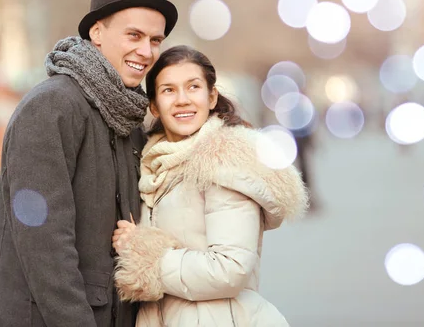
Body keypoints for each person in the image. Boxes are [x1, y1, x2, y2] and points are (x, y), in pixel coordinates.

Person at [0, 0, 178, 327]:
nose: (146, 51)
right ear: (97, 33)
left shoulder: (128, 115)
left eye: (155, 40)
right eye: (133, 35)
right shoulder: (51, 107)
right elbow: (44, 246)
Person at [111, 46, 308, 326]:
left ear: (211, 96)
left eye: (193, 87)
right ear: (153, 105)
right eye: (168, 90)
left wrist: (143, 254)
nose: (182, 100)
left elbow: (230, 269)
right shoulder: (156, 166)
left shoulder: (221, 164)